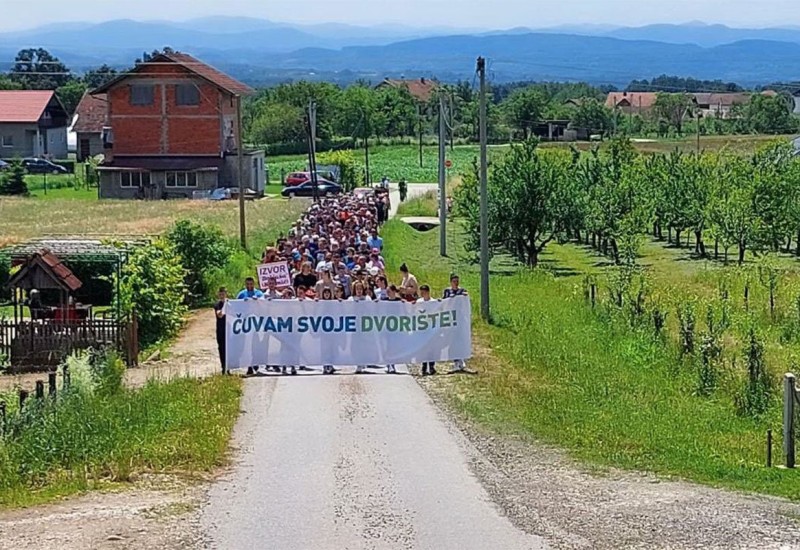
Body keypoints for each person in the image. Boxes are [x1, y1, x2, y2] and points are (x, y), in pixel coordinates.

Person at [236, 278, 264, 375]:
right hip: (246, 324)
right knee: (247, 345)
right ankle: (249, 366)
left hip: (256, 323)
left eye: (251, 284)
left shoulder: (259, 293)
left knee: (256, 345)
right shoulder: (241, 294)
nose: (249, 285)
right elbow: (236, 307)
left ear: (254, 284)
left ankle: (255, 362)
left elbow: (264, 304)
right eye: (247, 284)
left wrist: (258, 301)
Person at [443, 274, 469, 373]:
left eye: (457, 281)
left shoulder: (462, 291)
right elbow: (444, 303)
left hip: (460, 319)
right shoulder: (447, 291)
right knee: (452, 340)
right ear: (451, 282)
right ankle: (455, 361)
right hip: (451, 319)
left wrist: (464, 297)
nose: (456, 283)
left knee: (460, 339)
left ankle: (461, 359)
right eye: (454, 281)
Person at [349, 281, 371, 374]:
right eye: (357, 289)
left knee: (364, 345)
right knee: (354, 345)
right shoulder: (350, 299)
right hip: (354, 325)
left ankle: (362, 362)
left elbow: (371, 309)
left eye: (360, 288)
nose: (359, 291)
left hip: (364, 325)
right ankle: (357, 361)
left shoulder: (367, 298)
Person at [417, 285, 437, 376]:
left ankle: (432, 366)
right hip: (422, 328)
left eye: (423, 292)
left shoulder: (433, 302)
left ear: (428, 292)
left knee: (432, 348)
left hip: (431, 328)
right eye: (421, 292)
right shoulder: (419, 302)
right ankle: (424, 366)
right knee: (424, 348)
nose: (422, 294)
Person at [214, 287, 228, 375]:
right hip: (221, 330)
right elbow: (220, 315)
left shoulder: (231, 304)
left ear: (226, 294)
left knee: (229, 349)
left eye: (223, 294)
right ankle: (223, 367)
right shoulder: (217, 305)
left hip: (230, 330)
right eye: (220, 294)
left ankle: (229, 367)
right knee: (222, 348)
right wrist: (226, 305)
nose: (222, 296)